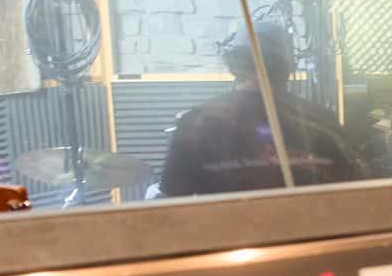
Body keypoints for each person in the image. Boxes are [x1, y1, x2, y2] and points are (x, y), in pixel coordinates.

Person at [158, 20, 369, 197]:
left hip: (226, 243)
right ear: (288, 69)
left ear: (235, 67)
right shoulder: (323, 122)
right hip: (310, 243)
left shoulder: (196, 122)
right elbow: (356, 190)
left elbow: (174, 202)